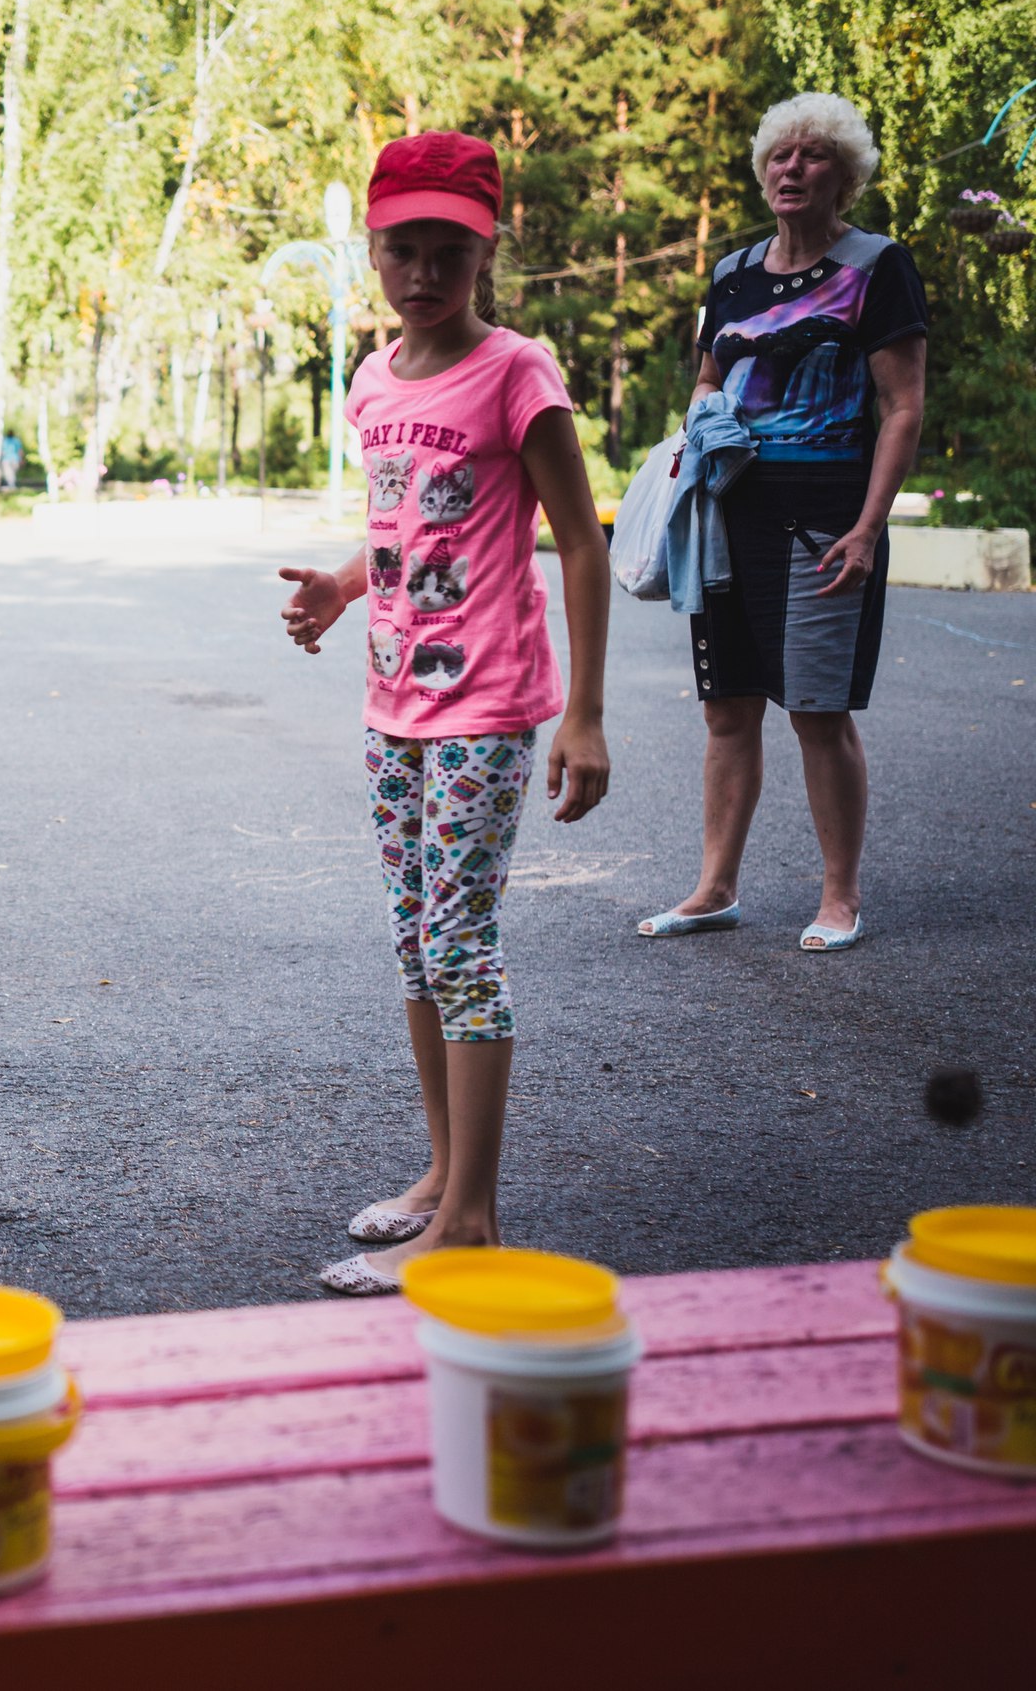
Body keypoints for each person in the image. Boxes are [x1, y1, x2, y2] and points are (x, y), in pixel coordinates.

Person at [276, 132, 613, 1294]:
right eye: (401, 250)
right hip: (392, 704)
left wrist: (582, 714)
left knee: (460, 940)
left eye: (448, 252)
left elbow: (579, 543)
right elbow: (410, 529)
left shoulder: (517, 371)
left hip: (486, 703)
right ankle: (439, 1172)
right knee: (416, 938)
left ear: (485, 253)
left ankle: (469, 1218)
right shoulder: (373, 381)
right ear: (373, 251)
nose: (422, 273)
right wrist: (341, 586)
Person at [638, 93, 927, 952]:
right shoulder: (732, 273)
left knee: (816, 711)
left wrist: (868, 529)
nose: (791, 168)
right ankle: (715, 887)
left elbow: (902, 407)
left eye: (812, 155)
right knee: (727, 710)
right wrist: (706, 417)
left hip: (826, 520)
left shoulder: (877, 265)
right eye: (779, 154)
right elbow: (706, 378)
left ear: (846, 175)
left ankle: (840, 897)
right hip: (726, 517)